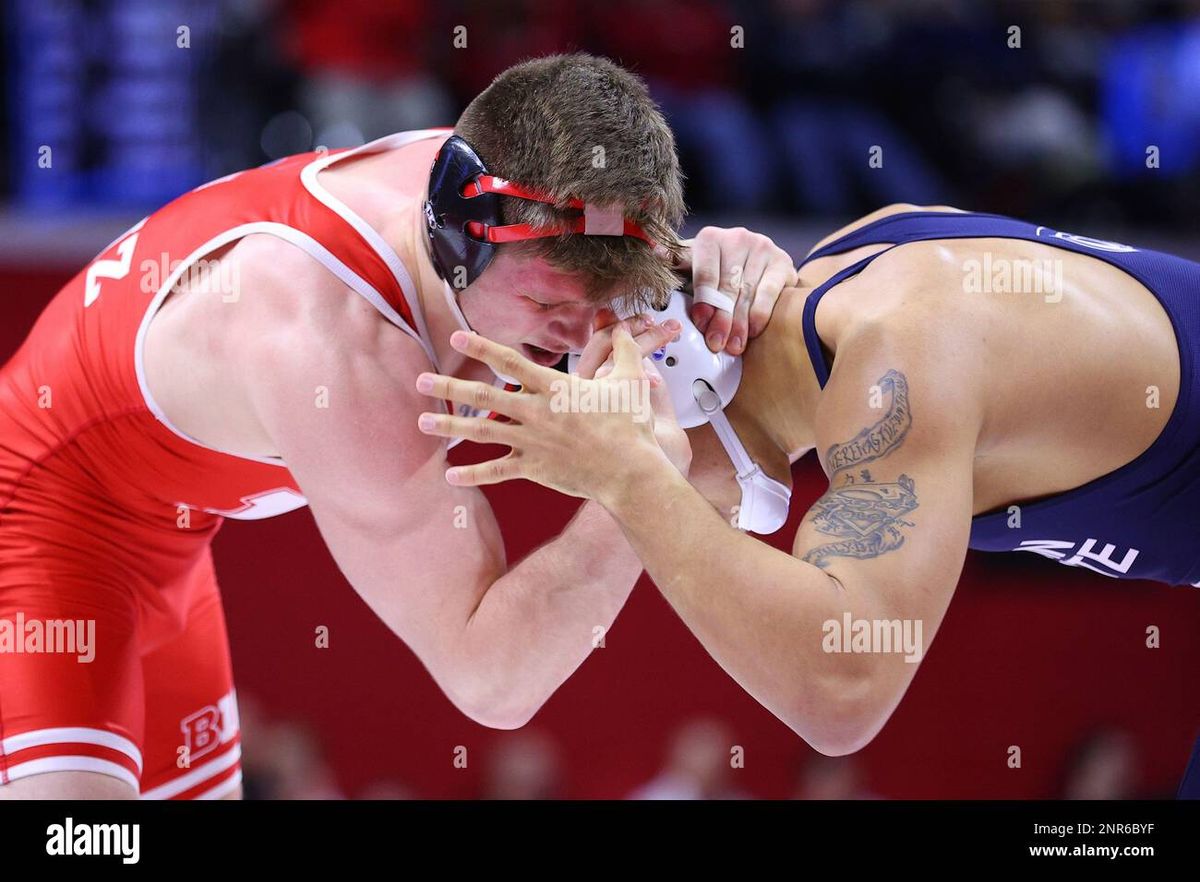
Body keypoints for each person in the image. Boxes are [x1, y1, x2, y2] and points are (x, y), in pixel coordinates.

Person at [0, 53, 795, 800]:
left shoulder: (506, 189)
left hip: (172, 531)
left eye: (602, 303)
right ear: (453, 242)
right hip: (44, 520)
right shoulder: (335, 349)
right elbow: (491, 679)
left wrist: (718, 264)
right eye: (550, 308)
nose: (579, 335)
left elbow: (602, 242)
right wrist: (639, 483)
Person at [415, 202, 1200, 796]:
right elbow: (620, 235)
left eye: (663, 449)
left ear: (690, 370)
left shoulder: (901, 354)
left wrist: (632, 480)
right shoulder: (854, 268)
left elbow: (845, 689)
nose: (691, 508)